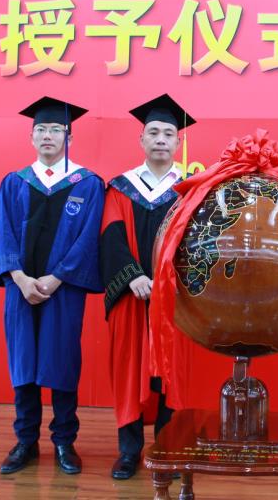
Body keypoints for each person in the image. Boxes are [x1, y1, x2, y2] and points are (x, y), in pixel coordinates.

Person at [0, 96, 104, 475]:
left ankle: (64, 442)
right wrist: (19, 278)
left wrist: (56, 278)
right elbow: (2, 234)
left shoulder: (88, 184)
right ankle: (25, 441)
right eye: (41, 129)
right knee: (23, 363)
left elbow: (87, 239)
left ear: (69, 136)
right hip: (20, 289)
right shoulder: (14, 182)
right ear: (31, 136)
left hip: (63, 289)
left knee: (62, 362)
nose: (48, 135)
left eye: (56, 129)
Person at [100, 94, 195, 480]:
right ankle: (129, 451)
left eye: (168, 134)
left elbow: (198, 243)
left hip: (173, 302)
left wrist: (167, 283)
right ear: (141, 140)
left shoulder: (190, 190)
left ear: (178, 142)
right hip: (131, 298)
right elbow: (111, 236)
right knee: (129, 370)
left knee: (171, 373)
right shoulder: (121, 188)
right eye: (153, 132)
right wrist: (134, 277)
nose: (160, 139)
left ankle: (167, 448)